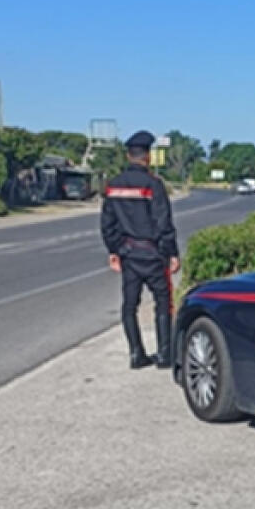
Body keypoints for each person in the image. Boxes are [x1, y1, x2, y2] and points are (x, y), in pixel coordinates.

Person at [100, 131, 179, 369]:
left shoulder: (113, 186)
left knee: (129, 305)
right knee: (163, 302)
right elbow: (163, 222)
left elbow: (107, 223)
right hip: (153, 254)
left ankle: (136, 354)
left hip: (129, 255)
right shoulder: (153, 185)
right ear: (147, 156)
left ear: (128, 155)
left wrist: (115, 250)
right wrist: (171, 253)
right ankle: (165, 354)